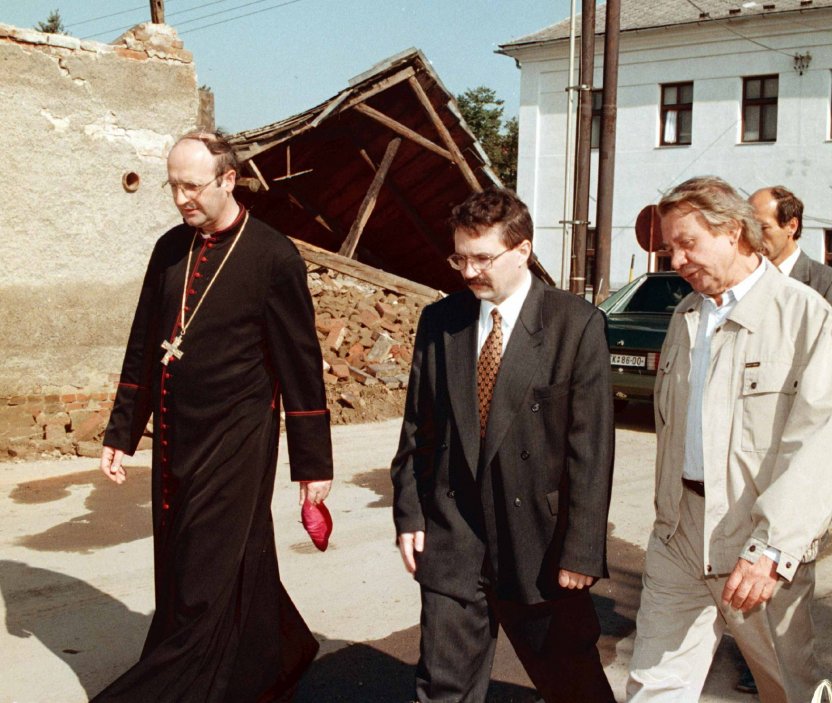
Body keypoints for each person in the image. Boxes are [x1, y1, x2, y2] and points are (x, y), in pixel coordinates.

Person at [93, 131, 333, 702]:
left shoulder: (273, 256)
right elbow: (145, 345)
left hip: (236, 442)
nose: (181, 199)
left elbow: (301, 365)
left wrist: (312, 466)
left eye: (192, 186)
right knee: (201, 561)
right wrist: (123, 430)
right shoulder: (169, 249)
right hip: (178, 439)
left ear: (228, 180)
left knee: (202, 576)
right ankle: (278, 651)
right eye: (172, 186)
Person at [391, 187, 615, 703]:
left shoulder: (574, 324)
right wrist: (410, 515)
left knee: (571, 682)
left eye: (482, 258)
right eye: (459, 258)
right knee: (443, 686)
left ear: (522, 250)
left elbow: (591, 451)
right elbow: (417, 432)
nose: (468, 272)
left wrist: (582, 549)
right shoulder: (440, 321)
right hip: (454, 538)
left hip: (540, 544)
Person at [627, 176, 832, 702]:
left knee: (787, 688)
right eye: (671, 248)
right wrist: (668, 519)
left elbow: (818, 445)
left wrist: (773, 547)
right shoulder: (686, 316)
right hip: (679, 532)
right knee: (654, 685)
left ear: (736, 232)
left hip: (757, 539)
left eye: (687, 243)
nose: (676, 260)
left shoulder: (805, 316)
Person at [749, 185, 832, 303]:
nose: (752, 236)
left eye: (763, 228)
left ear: (792, 226)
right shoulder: (741, 279)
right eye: (748, 227)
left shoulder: (826, 283)